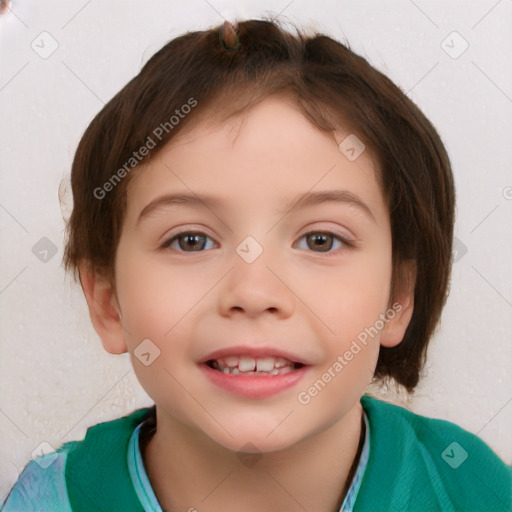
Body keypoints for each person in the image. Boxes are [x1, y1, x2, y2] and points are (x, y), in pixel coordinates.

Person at [2, 17, 511, 512]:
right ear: (108, 302)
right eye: (191, 240)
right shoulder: (50, 501)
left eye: (320, 240)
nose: (252, 290)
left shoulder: (473, 490)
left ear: (398, 298)